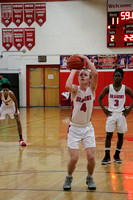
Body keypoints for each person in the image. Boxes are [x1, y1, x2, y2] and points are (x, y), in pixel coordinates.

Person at [63, 54, 98, 190]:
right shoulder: (75, 90)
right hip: (74, 128)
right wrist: (74, 70)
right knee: (74, 158)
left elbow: (95, 73)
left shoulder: (92, 90)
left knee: (90, 157)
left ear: (89, 79)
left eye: (85, 75)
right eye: (81, 75)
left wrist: (84, 58)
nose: (82, 76)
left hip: (87, 128)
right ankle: (69, 177)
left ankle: (89, 177)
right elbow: (67, 85)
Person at [98, 68, 133, 165]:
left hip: (121, 114)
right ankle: (107, 156)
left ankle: (117, 155)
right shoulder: (108, 88)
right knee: (108, 135)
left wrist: (129, 110)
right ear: (113, 77)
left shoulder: (125, 89)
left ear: (122, 78)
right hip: (111, 114)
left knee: (120, 136)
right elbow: (99, 98)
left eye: (119, 76)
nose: (117, 78)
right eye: (116, 76)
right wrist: (104, 110)